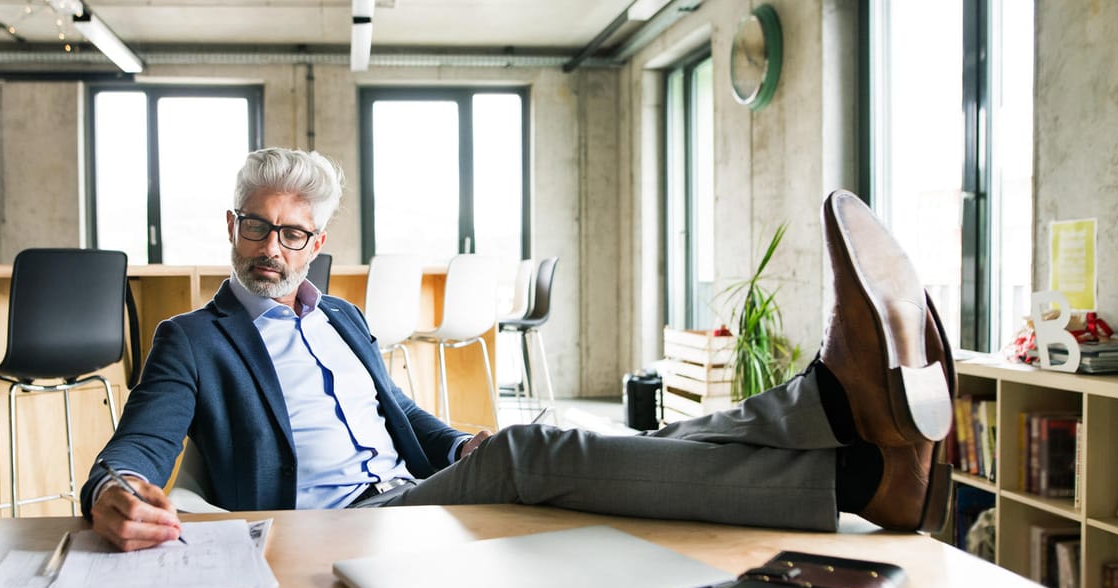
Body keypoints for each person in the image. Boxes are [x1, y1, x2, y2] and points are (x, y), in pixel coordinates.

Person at [82, 147, 955, 551]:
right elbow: (138, 448)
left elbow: (404, 420)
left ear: (318, 243)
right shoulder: (192, 339)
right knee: (540, 444)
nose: (272, 249)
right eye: (258, 228)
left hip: (413, 486)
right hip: (340, 527)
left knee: (540, 445)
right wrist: (113, 492)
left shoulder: (344, 318)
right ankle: (832, 426)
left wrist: (460, 443)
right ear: (232, 228)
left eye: (294, 234)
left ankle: (859, 462)